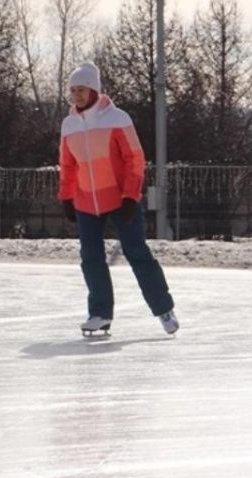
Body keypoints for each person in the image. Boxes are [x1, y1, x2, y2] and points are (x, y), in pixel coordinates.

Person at [58, 62, 179, 336]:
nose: (76, 95)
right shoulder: (69, 125)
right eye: (73, 90)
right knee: (91, 258)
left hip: (119, 199)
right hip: (86, 201)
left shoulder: (117, 119)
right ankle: (100, 313)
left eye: (82, 89)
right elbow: (67, 165)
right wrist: (66, 195)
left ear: (94, 90)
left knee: (137, 253)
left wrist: (129, 196)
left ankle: (164, 309)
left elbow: (134, 159)